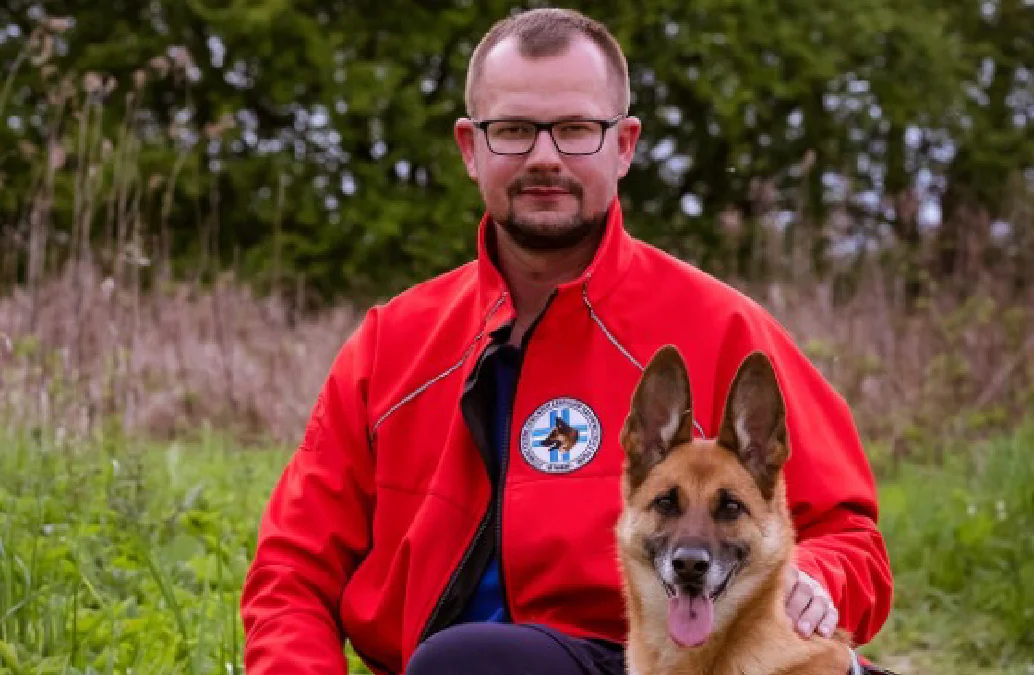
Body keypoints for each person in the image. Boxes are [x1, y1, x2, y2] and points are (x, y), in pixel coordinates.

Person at [240, 7, 893, 675]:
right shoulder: (391, 344)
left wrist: (813, 577)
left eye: (577, 129)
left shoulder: (722, 326)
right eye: (514, 130)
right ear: (471, 148)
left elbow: (853, 540)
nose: (545, 157)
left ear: (625, 144)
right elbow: (292, 569)